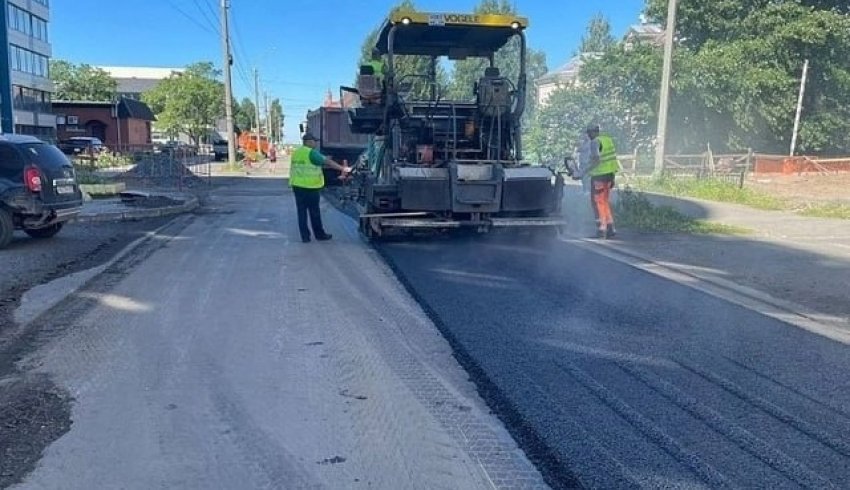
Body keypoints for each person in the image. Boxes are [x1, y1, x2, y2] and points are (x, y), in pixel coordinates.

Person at [289, 132, 351, 243]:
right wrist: (342, 168)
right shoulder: (311, 153)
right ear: (308, 142)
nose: (315, 144)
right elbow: (326, 162)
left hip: (297, 186)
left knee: (301, 212)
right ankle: (319, 234)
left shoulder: (296, 153)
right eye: (314, 141)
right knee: (314, 212)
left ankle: (305, 237)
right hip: (310, 187)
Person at [576, 124, 620, 239]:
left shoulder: (595, 142)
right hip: (610, 175)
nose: (588, 135)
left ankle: (602, 229)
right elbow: (612, 159)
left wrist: (582, 173)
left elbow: (596, 161)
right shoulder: (608, 140)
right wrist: (613, 176)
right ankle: (610, 227)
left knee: (598, 202)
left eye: (589, 133)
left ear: (592, 132)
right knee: (604, 201)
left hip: (599, 176)